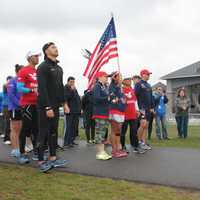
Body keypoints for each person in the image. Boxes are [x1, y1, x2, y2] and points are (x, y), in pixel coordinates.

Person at [37, 42, 68, 172]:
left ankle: (53, 158)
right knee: (43, 132)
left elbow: (60, 88)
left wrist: (64, 104)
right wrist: (47, 107)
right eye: (53, 47)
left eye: (56, 46)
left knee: (54, 133)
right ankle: (40, 161)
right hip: (45, 106)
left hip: (56, 105)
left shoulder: (59, 68)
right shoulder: (43, 67)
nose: (56, 48)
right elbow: (42, 89)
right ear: (46, 51)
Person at [17, 51, 41, 164]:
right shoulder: (23, 71)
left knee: (36, 129)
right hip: (27, 104)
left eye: (38, 56)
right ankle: (22, 153)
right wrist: (31, 90)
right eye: (35, 56)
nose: (37, 58)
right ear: (29, 57)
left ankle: (37, 152)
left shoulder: (37, 71)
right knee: (26, 128)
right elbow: (19, 88)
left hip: (37, 104)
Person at [121, 78, 145, 154]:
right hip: (124, 114)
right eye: (128, 80)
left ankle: (135, 146)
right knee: (123, 131)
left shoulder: (132, 90)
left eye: (130, 80)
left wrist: (137, 110)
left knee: (134, 131)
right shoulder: (121, 90)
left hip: (133, 113)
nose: (130, 82)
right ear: (124, 82)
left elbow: (135, 101)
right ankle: (122, 146)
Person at [92, 71, 112, 160]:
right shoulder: (97, 86)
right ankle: (99, 152)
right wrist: (107, 98)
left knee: (103, 133)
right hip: (99, 112)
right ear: (100, 77)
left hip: (105, 112)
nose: (107, 78)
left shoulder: (104, 86)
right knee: (99, 133)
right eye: (105, 76)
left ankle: (102, 151)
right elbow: (96, 98)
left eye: (107, 77)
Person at [109, 72, 127, 158]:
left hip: (121, 111)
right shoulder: (112, 86)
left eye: (121, 76)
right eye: (119, 76)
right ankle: (114, 150)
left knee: (118, 131)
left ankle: (118, 149)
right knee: (115, 130)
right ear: (114, 78)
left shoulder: (120, 87)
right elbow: (112, 97)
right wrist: (117, 86)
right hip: (114, 110)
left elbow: (122, 98)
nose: (121, 78)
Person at [135, 69, 154, 150]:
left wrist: (152, 107)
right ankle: (138, 142)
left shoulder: (149, 85)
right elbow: (135, 96)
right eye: (147, 74)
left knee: (146, 126)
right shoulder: (138, 84)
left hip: (148, 109)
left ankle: (144, 142)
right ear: (143, 75)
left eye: (149, 74)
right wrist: (137, 108)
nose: (149, 75)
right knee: (142, 125)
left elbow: (151, 97)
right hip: (142, 108)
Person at [7, 64, 23, 157]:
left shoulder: (23, 82)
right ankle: (15, 150)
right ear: (17, 72)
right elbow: (11, 95)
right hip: (14, 108)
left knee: (20, 129)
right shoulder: (12, 81)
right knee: (14, 129)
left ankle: (18, 148)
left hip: (22, 108)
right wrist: (20, 104)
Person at [63, 76, 81, 148]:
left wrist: (80, 108)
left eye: (73, 82)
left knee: (74, 127)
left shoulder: (74, 88)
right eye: (71, 82)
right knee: (69, 126)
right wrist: (72, 90)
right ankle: (66, 142)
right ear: (68, 82)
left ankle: (71, 141)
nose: (72, 83)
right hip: (69, 111)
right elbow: (66, 97)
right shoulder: (66, 88)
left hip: (76, 111)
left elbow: (78, 99)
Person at [2, 76, 12, 145]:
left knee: (13, 122)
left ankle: (11, 137)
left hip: (12, 106)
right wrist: (10, 82)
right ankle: (6, 138)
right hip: (6, 106)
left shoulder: (12, 87)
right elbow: (5, 85)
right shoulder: (5, 86)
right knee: (7, 122)